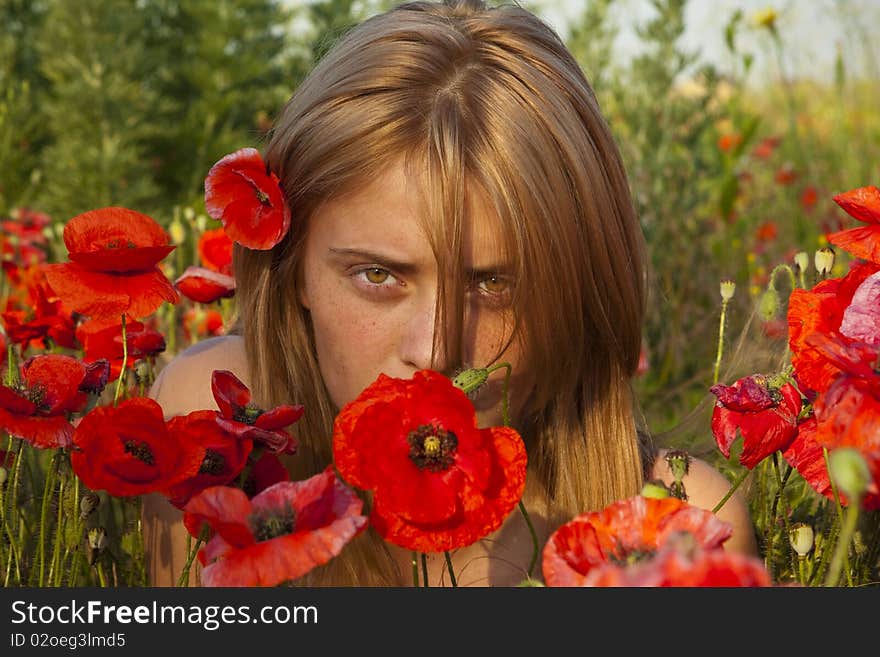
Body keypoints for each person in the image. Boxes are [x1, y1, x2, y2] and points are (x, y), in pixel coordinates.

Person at [143, 0, 758, 586]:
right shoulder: (215, 427)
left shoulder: (681, 526)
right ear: (293, 264)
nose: (435, 353)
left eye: (494, 283)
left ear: (578, 287)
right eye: (377, 276)